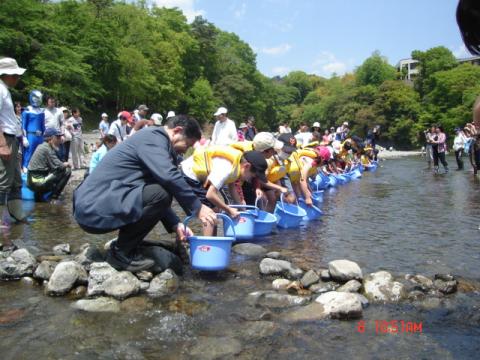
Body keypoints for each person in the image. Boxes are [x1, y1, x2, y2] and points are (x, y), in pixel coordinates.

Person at [74, 115, 217, 272]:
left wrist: (176, 224)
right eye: (187, 144)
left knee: (160, 192)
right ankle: (120, 254)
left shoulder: (155, 141)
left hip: (97, 206)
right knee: (162, 193)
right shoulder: (153, 138)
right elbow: (168, 177)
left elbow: (152, 194)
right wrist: (198, 207)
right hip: (92, 209)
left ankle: (127, 247)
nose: (185, 150)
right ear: (177, 131)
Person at [181, 146, 268, 236]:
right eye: (252, 175)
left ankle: (213, 239)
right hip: (190, 175)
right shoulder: (227, 168)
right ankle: (209, 245)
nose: (251, 179)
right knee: (210, 211)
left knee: (215, 209)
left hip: (201, 178)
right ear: (246, 166)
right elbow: (210, 195)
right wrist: (229, 209)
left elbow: (232, 186)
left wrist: (242, 207)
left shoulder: (237, 167)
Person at [0, 57, 28, 250]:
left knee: (16, 180)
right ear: (6, 74)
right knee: (3, 181)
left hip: (13, 138)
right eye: (15, 74)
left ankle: (18, 216)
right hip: (5, 139)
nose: (17, 77)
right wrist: (2, 144)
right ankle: (2, 222)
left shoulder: (5, 90)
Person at [26, 128, 71, 203]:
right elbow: (59, 166)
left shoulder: (44, 146)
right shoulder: (47, 149)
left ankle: (39, 196)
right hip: (36, 181)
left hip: (33, 179)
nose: (60, 140)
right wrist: (67, 164)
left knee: (56, 172)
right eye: (58, 137)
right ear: (51, 138)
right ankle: (53, 198)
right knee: (67, 171)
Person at [21, 90, 45, 172]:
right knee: (29, 152)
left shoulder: (41, 111)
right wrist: (24, 137)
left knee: (40, 153)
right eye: (36, 98)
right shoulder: (27, 110)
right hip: (30, 135)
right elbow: (23, 125)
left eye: (39, 98)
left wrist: (44, 136)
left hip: (40, 136)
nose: (37, 100)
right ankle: (25, 168)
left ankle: (38, 169)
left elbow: (43, 125)